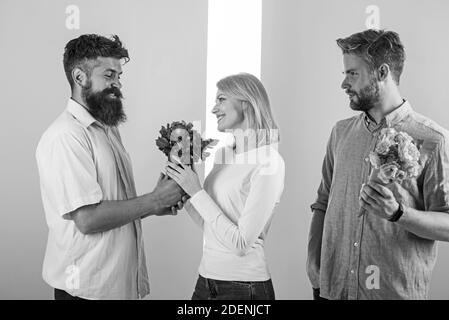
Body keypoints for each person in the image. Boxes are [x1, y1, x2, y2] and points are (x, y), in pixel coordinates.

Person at [36, 34, 184, 300]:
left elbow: (112, 203)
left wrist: (154, 206)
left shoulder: (106, 129)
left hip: (116, 285)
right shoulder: (67, 136)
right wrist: (152, 200)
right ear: (80, 77)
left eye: (119, 76)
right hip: (86, 291)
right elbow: (88, 218)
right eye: (109, 75)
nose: (117, 84)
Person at [307, 29, 449, 300]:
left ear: (382, 72)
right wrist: (313, 261)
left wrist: (398, 213)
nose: (344, 84)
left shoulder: (434, 139)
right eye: (344, 74)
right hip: (332, 290)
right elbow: (322, 202)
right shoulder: (340, 133)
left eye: (353, 74)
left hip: (390, 293)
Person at [165, 73, 285, 300]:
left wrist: (196, 192)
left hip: (244, 288)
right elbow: (212, 226)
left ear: (246, 103)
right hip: (206, 280)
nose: (213, 109)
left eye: (221, 99)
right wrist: (185, 194)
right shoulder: (224, 155)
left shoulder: (269, 161)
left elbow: (241, 244)